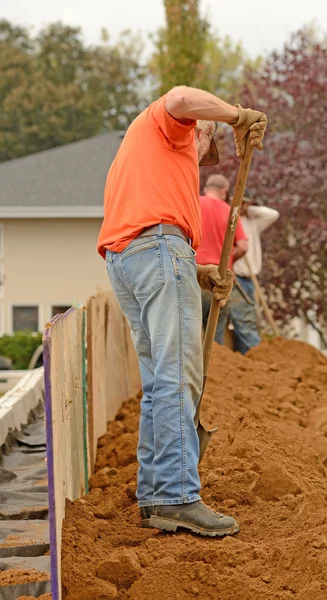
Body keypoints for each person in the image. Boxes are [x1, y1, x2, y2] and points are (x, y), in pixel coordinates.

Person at [97, 86, 267, 536]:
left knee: (158, 382)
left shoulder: (137, 157)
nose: (198, 160)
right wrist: (237, 116)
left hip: (129, 258)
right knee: (176, 376)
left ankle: (156, 494)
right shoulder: (170, 124)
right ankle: (176, 494)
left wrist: (198, 269)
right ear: (199, 131)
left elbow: (147, 236)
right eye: (205, 150)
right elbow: (179, 98)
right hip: (157, 251)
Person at [196, 174, 248, 344]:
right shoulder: (230, 210)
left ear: (206, 189)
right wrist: (229, 260)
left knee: (190, 337)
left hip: (194, 276)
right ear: (224, 191)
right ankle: (213, 369)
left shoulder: (194, 203)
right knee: (214, 340)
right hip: (219, 280)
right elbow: (243, 246)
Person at [229, 190, 279, 355]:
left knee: (251, 321)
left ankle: (245, 358)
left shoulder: (253, 223)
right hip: (236, 278)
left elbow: (273, 214)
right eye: (240, 202)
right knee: (245, 322)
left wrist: (251, 210)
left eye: (246, 203)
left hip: (251, 279)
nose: (242, 205)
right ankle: (256, 357)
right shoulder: (229, 220)